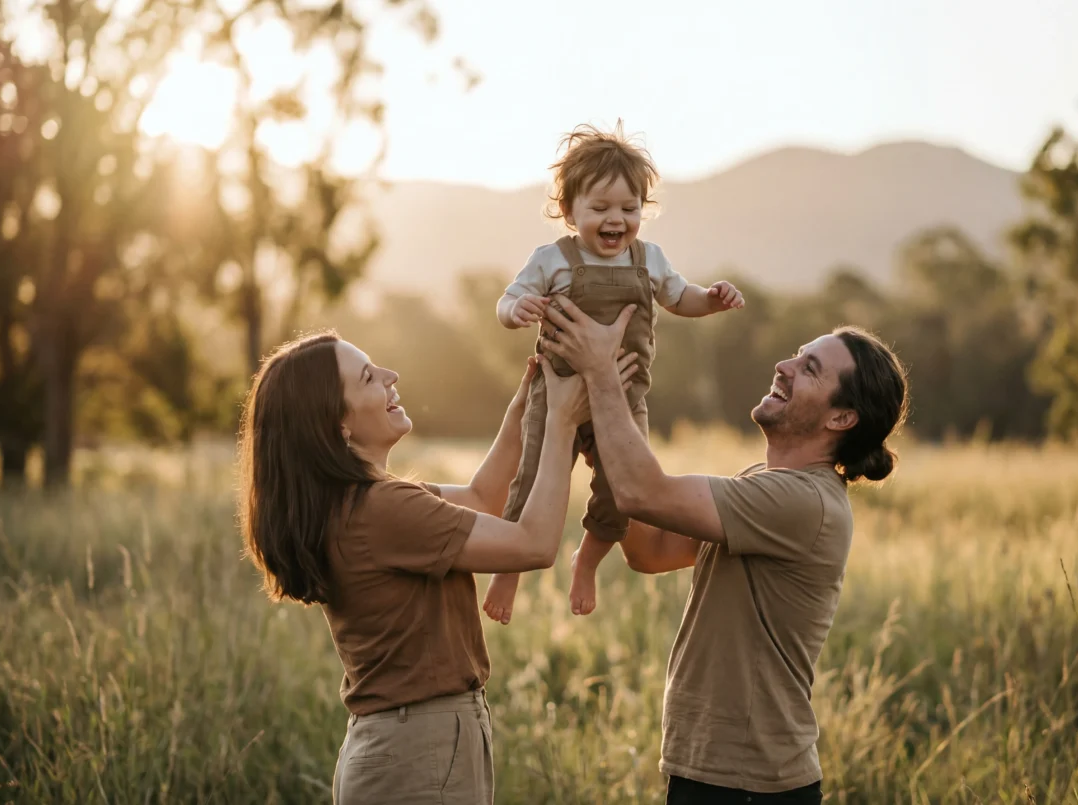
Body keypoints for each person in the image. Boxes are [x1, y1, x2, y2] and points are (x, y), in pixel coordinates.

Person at [236, 331, 638, 804]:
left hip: (401, 748)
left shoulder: (357, 504)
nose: (390, 377)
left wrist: (529, 401)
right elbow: (533, 543)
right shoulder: (384, 508)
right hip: (418, 751)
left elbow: (483, 500)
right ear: (337, 424)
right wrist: (562, 424)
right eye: (368, 377)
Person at [539, 299, 909, 804]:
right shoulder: (767, 483)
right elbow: (650, 550)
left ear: (842, 417)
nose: (785, 367)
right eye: (798, 355)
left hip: (752, 782)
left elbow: (643, 493)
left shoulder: (805, 502)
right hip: (709, 770)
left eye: (810, 369)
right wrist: (600, 438)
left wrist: (602, 371)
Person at [483, 122, 745, 624]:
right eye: (600, 208)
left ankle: (588, 559)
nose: (615, 220)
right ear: (569, 211)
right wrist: (514, 311)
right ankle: (509, 567)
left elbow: (679, 296)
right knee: (532, 474)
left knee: (625, 492)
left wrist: (709, 301)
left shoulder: (650, 260)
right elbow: (507, 299)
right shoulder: (551, 260)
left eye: (629, 209)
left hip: (625, 397)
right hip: (556, 391)